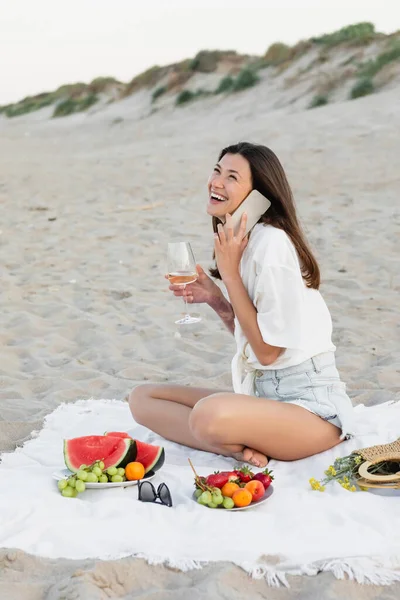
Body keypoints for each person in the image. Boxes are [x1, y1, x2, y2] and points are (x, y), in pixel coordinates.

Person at [129, 142, 354, 468]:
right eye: (217, 170)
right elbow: (254, 336)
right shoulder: (244, 240)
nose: (216, 182)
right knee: (143, 398)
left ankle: (233, 434)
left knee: (209, 414)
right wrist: (218, 301)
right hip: (262, 397)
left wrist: (230, 274)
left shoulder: (271, 244)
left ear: (258, 195)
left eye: (232, 176)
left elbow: (267, 353)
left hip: (313, 412)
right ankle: (235, 448)